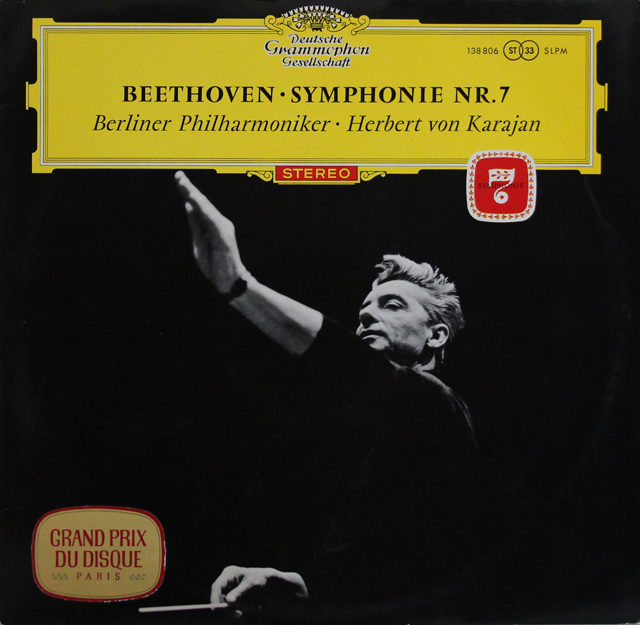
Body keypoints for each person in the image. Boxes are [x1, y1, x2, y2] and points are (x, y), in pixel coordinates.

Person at [175, 171, 478, 622]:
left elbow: (341, 359)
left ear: (435, 335)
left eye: (392, 305)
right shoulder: (371, 438)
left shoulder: (435, 403)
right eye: (363, 311)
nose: (367, 317)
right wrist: (289, 584)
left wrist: (238, 284)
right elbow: (383, 569)